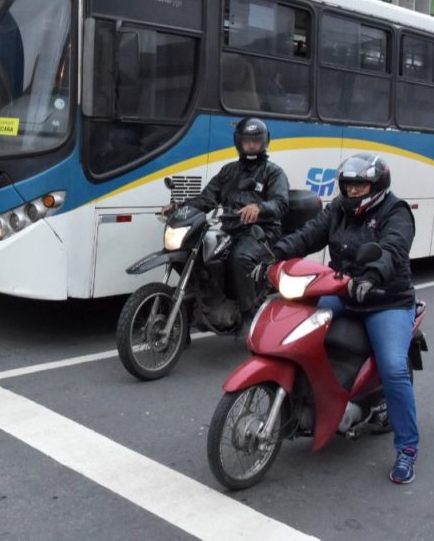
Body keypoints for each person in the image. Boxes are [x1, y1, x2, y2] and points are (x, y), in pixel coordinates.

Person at [266, 153, 420, 484]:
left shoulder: (396, 212)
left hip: (385, 300)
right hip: (343, 293)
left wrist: (372, 277)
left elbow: (393, 249)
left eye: (360, 185)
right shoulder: (337, 209)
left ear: (377, 186)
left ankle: (407, 449)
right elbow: (309, 234)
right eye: (348, 185)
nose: (353, 192)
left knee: (393, 367)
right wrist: (275, 253)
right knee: (294, 331)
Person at [171, 118, 289, 322]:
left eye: (256, 141)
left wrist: (259, 208)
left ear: (264, 142)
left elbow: (281, 203)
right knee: (194, 253)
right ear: (239, 143)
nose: (251, 145)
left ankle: (248, 315)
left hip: (261, 232)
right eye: (247, 141)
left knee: (239, 258)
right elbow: (207, 198)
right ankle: (187, 318)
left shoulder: (273, 172)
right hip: (230, 230)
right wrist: (178, 208)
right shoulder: (228, 171)